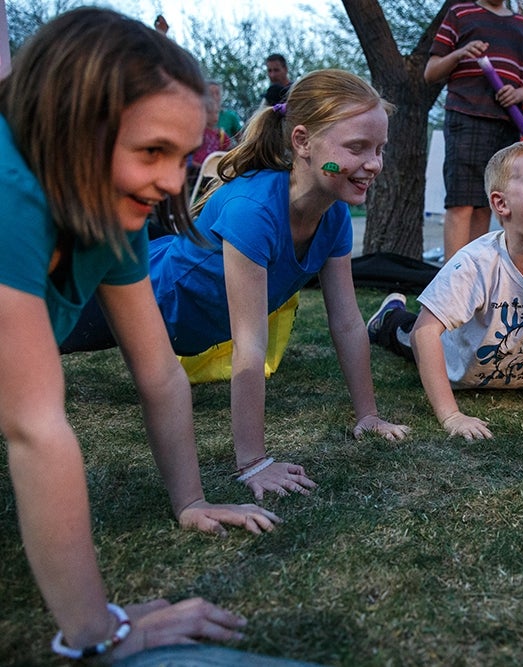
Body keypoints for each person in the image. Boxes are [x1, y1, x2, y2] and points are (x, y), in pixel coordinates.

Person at [0, 7, 284, 661]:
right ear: (71, 122)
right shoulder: (11, 195)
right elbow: (35, 429)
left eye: (182, 156)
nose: (168, 181)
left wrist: (190, 499)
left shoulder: (115, 213)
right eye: (151, 151)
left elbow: (158, 371)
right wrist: (100, 628)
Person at [63, 68, 411, 500]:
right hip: (136, 298)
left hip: (184, 319)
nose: (374, 163)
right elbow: (249, 345)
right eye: (357, 147)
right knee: (28, 340)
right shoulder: (254, 209)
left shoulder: (334, 215)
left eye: (379, 148)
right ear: (302, 141)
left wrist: (369, 415)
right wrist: (254, 462)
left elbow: (346, 322)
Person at [366, 141, 523, 440]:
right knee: (407, 334)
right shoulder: (475, 263)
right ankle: (388, 316)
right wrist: (451, 415)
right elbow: (425, 333)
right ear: (501, 204)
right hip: (456, 363)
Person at [424, 0, 523, 261]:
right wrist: (460, 53)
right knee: (460, 201)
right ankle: (451, 283)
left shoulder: (522, 25)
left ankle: (475, 279)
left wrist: (519, 93)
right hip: (465, 116)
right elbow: (430, 72)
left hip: (505, 124)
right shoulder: (459, 14)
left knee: (485, 204)